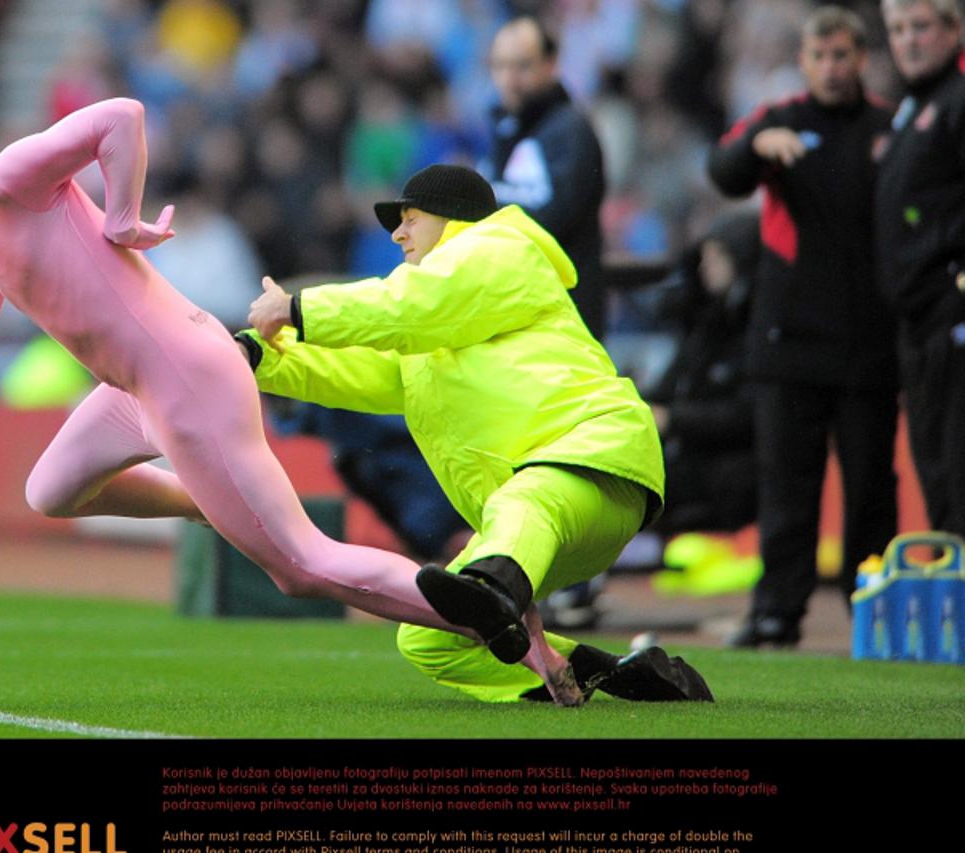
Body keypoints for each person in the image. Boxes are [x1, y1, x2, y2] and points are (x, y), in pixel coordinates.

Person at [0, 94, 506, 684]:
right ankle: (205, 500)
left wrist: (120, 217)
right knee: (50, 488)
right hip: (135, 387)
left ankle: (494, 616)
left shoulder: (8, 178)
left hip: (182, 376)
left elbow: (121, 117)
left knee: (301, 565)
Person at [245, 164, 710, 704]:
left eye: (410, 219)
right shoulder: (438, 322)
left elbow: (408, 307)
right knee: (426, 636)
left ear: (451, 219)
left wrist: (298, 307)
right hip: (536, 521)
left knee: (525, 502)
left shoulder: (497, 248)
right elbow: (362, 370)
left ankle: (496, 590)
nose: (397, 234)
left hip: (593, 456)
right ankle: (605, 672)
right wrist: (257, 359)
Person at [707, 6, 899, 648]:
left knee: (871, 487)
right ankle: (776, 612)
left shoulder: (888, 127)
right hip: (787, 339)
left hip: (869, 341)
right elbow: (723, 169)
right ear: (803, 61)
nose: (830, 67)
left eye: (841, 55)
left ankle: (874, 610)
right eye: (819, 57)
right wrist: (756, 149)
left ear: (861, 59)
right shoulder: (778, 121)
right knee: (788, 486)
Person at [876, 0, 965, 538]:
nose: (908, 40)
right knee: (938, 465)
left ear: (954, 29)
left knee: (956, 463)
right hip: (919, 319)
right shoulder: (914, 108)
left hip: (950, 317)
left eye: (921, 27)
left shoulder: (957, 102)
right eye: (897, 30)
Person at [478, 15, 605, 339]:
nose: (510, 79)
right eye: (500, 66)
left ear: (550, 65)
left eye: (522, 66)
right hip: (520, 313)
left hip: (565, 317)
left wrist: (481, 209)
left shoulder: (569, 131)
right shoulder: (505, 129)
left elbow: (554, 215)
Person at [646, 212, 759, 536]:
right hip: (689, 459)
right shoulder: (707, 326)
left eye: (715, 257)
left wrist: (672, 419)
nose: (703, 268)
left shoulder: (752, 335)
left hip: (727, 474)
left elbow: (746, 415)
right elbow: (666, 386)